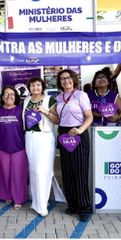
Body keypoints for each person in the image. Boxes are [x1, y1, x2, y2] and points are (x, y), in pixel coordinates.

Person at [50, 68, 93, 221]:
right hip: (63, 133)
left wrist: (80, 129)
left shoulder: (81, 95)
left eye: (68, 77)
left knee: (80, 171)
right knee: (67, 171)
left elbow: (89, 116)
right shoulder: (59, 97)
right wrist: (45, 111)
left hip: (78, 134)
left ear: (74, 79)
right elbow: (57, 118)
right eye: (62, 78)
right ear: (59, 82)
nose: (65, 80)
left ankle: (84, 207)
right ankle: (72, 204)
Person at [23, 76, 58, 217]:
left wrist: (45, 111)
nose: (35, 88)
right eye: (32, 85)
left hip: (44, 138)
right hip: (29, 137)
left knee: (43, 170)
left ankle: (42, 205)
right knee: (33, 170)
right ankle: (35, 201)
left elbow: (57, 119)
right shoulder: (26, 100)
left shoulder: (49, 100)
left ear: (42, 86)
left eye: (38, 85)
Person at [0, 86, 28, 210]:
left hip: (18, 146)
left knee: (18, 173)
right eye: (6, 94)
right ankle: (6, 195)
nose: (9, 96)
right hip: (2, 146)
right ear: (2, 97)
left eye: (12, 94)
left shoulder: (21, 109)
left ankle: (19, 198)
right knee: (4, 173)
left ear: (16, 97)